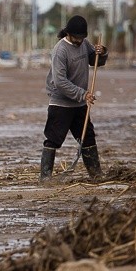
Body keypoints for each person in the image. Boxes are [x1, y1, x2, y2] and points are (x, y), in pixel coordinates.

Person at [40, 14, 108, 181]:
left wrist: (102, 52)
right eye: (76, 38)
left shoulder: (84, 43)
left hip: (80, 104)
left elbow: (95, 60)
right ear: (68, 34)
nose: (79, 41)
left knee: (88, 138)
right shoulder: (60, 51)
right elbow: (60, 82)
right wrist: (83, 94)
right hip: (61, 104)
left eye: (82, 37)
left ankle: (96, 175)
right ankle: (45, 177)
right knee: (53, 139)